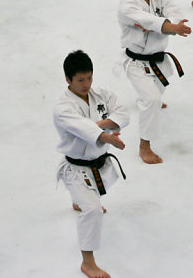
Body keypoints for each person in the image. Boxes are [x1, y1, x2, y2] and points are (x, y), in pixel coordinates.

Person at [54, 50, 130, 278]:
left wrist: (101, 123)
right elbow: (81, 129)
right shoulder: (62, 109)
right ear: (68, 79)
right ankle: (88, 262)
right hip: (75, 168)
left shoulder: (102, 94)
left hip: (97, 163)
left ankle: (78, 200)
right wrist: (105, 135)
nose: (86, 84)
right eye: (80, 80)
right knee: (93, 210)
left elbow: (123, 114)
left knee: (90, 200)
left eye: (89, 78)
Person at [118, 0, 191, 165]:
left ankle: (148, 97)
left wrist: (175, 24)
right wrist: (169, 26)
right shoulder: (127, 6)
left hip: (158, 59)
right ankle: (145, 146)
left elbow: (174, 13)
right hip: (136, 62)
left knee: (155, 95)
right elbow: (150, 21)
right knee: (151, 100)